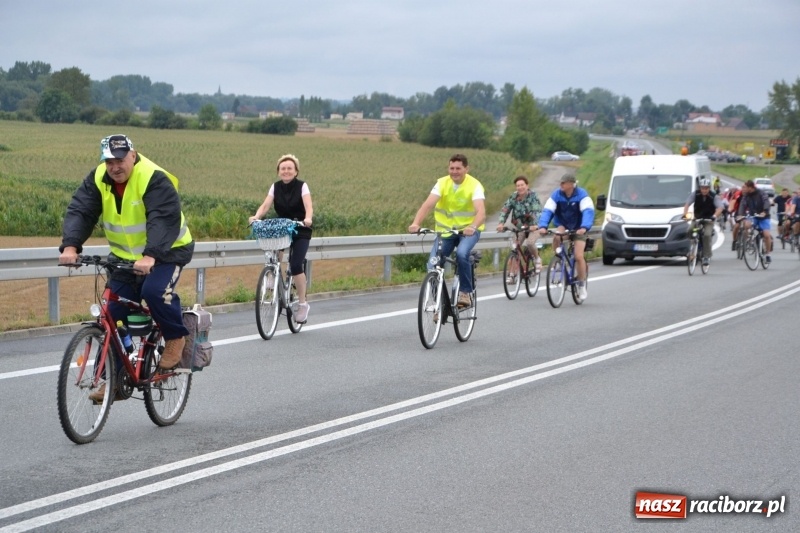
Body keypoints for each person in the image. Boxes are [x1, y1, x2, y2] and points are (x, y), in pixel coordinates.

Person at [59, 134, 195, 398]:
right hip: (125, 257)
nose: (114, 167)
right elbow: (81, 210)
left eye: (119, 160)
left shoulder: (153, 177)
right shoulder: (99, 178)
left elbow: (162, 218)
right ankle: (113, 381)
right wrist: (71, 246)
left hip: (168, 251)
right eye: (109, 162)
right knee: (113, 313)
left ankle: (175, 336)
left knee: (154, 292)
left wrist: (151, 255)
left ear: (133, 155)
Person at [409, 153, 485, 308]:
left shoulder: (474, 185)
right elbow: (427, 205)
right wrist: (416, 223)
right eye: (452, 168)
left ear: (466, 169)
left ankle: (465, 293)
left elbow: (481, 212)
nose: (454, 172)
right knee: (433, 265)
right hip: (446, 232)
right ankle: (440, 304)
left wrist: (472, 227)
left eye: (458, 168)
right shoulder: (442, 183)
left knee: (462, 254)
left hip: (468, 231)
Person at [249, 154, 314, 323]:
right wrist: (256, 216)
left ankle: (302, 304)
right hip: (283, 227)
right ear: (278, 171)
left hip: (300, 228)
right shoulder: (275, 187)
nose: (286, 171)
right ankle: (272, 275)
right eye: (283, 168)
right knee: (273, 254)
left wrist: (308, 218)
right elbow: (265, 205)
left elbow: (308, 205)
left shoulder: (302, 186)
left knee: (295, 265)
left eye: (289, 168)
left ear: (296, 171)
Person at [537, 174, 595, 300]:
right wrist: (543, 226)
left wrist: (584, 227)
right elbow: (548, 211)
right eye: (561, 182)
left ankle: (581, 284)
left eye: (564, 183)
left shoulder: (582, 195)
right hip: (563, 225)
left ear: (571, 184)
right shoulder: (556, 195)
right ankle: (558, 260)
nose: (561, 185)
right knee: (557, 236)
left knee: (578, 256)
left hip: (579, 228)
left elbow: (588, 212)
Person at [496, 176, 542, 278]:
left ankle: (537, 258)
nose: (520, 187)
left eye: (522, 185)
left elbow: (536, 211)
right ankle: (512, 274)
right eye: (518, 186)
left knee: (530, 243)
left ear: (527, 186)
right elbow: (505, 209)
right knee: (515, 247)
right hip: (520, 227)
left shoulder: (533, 196)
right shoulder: (513, 197)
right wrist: (501, 223)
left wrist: (535, 225)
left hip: (533, 226)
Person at [682, 177, 723, 266]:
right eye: (702, 188)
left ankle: (706, 256)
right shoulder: (695, 194)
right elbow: (687, 204)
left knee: (707, 235)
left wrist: (714, 216)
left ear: (709, 188)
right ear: (700, 188)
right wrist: (685, 214)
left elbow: (720, 208)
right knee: (690, 230)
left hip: (709, 219)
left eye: (706, 188)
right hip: (697, 218)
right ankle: (692, 246)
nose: (704, 190)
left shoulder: (714, 196)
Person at [735, 179, 773, 263]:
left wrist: (765, 211)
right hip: (753, 216)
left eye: (745, 187)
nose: (743, 189)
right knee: (747, 224)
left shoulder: (761, 193)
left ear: (750, 187)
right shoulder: (746, 196)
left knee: (767, 235)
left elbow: (766, 202)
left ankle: (768, 254)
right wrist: (740, 214)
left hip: (764, 216)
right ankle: (749, 240)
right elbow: (742, 205)